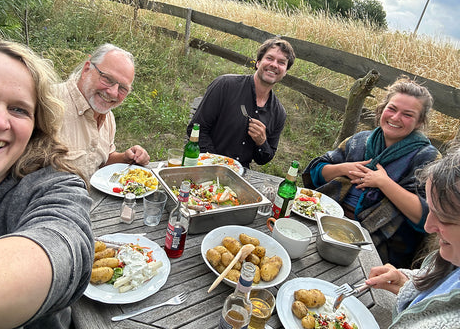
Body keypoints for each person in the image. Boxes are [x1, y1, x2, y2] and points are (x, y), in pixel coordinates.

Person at [0, 34, 94, 328]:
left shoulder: (55, 187)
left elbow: (64, 242)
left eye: (18, 109)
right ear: (87, 69)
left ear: (35, 127)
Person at [302, 76, 441, 268]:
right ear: (382, 109)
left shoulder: (427, 159)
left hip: (379, 250)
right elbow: (315, 173)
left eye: (407, 114)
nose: (395, 118)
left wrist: (384, 182)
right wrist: (343, 168)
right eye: (391, 109)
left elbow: (428, 216)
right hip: (326, 223)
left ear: (419, 122)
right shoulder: (360, 140)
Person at [365, 147, 460, 328]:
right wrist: (408, 283)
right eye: (431, 209)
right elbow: (444, 287)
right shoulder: (451, 259)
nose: (428, 227)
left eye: (444, 218)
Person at [187, 37, 295, 168]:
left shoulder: (278, 113)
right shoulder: (225, 85)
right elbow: (196, 128)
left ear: (285, 72)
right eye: (270, 58)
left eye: (281, 62)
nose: (274, 65)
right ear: (258, 62)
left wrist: (262, 142)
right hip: (205, 165)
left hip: (240, 175)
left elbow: (264, 159)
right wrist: (218, 165)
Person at [57, 43, 150, 179]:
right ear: (86, 69)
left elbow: (100, 161)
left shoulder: (108, 117)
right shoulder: (50, 104)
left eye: (123, 88)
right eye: (107, 79)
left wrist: (126, 157)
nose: (113, 93)